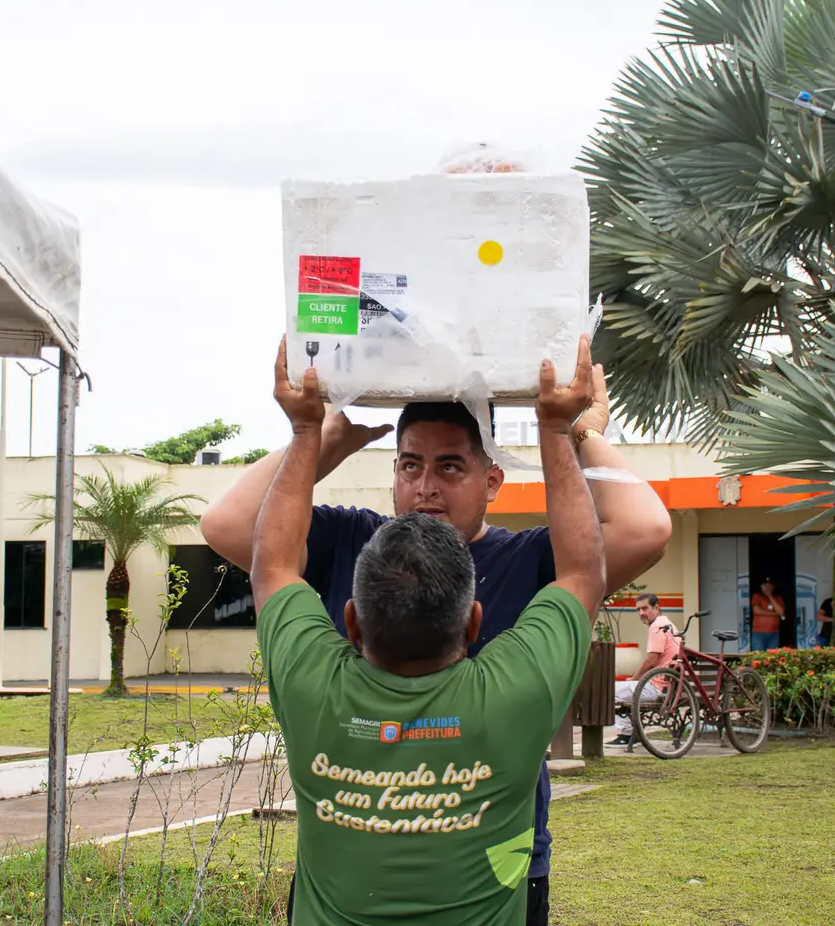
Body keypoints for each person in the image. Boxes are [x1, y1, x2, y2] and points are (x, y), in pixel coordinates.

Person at [201, 339, 672, 924]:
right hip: (356, 861)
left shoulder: (529, 559)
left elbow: (645, 530)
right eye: (409, 465)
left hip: (499, 862)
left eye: (450, 466)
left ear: (492, 480)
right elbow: (226, 524)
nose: (425, 486)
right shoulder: (357, 539)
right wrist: (329, 440)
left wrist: (582, 433)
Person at [609, 593, 682, 746]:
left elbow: (651, 661)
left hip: (656, 687)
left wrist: (634, 678)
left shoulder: (657, 627)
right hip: (668, 686)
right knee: (622, 689)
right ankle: (630, 733)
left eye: (645, 608)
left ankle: (627, 735)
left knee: (609, 691)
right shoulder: (669, 624)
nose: (641, 613)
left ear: (656, 608)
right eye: (638, 609)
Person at [750, 577, 785, 651]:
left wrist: (770, 596)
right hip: (759, 633)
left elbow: (781, 611)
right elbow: (757, 611)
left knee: (772, 655)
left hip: (774, 633)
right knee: (758, 654)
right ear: (761, 587)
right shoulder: (757, 596)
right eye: (765, 586)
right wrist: (775, 614)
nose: (768, 588)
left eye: (770, 586)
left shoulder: (778, 598)